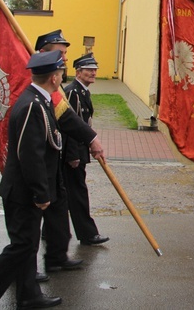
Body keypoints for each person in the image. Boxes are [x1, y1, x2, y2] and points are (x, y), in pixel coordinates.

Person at [0, 50, 66, 310]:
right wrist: (41, 194)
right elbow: (30, 155)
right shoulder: (32, 105)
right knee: (20, 248)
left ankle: (28, 296)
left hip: (24, 190)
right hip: (24, 192)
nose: (62, 75)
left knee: (26, 247)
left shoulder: (39, 101)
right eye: (61, 72)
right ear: (54, 77)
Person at [34, 29, 105, 276]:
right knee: (40, 215)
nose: (64, 58)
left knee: (59, 206)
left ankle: (56, 256)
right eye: (61, 53)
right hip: (50, 160)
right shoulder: (41, 95)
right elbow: (65, 125)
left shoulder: (63, 91)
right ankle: (22, 274)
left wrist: (92, 139)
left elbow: (71, 120)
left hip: (61, 156)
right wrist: (75, 152)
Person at [63, 53, 109, 246]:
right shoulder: (73, 92)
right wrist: (73, 155)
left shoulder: (83, 91)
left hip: (80, 149)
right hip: (73, 152)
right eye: (88, 69)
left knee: (64, 193)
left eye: (94, 69)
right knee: (77, 192)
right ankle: (88, 234)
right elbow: (70, 126)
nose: (93, 72)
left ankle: (49, 231)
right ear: (78, 72)